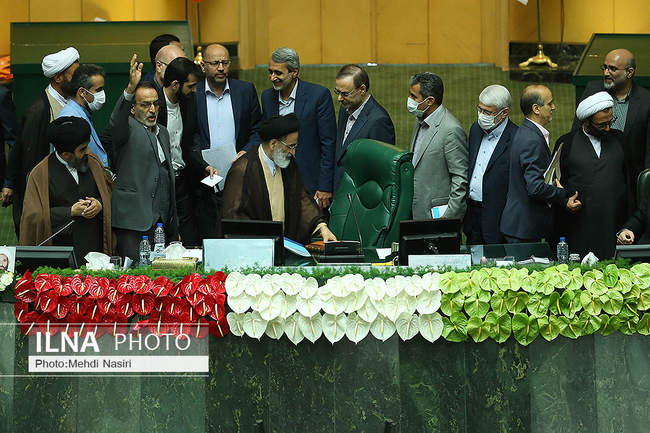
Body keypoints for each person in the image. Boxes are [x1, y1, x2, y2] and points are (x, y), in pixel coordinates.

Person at [104, 55, 177, 262]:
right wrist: (130, 89)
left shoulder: (163, 132)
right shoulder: (126, 127)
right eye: (145, 105)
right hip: (133, 220)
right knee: (133, 274)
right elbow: (115, 122)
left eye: (155, 104)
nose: (152, 110)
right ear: (133, 108)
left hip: (161, 221)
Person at [222, 114, 337, 244]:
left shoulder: (288, 163)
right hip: (255, 249)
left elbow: (301, 198)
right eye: (290, 146)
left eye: (295, 147)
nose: (293, 152)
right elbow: (234, 217)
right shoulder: (243, 169)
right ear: (273, 144)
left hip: (284, 245)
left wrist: (322, 227)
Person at [3, 47, 80, 236]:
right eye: (74, 74)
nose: (79, 79)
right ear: (58, 77)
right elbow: (29, 159)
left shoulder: (69, 101)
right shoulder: (39, 111)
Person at [19, 116, 114, 258]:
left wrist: (100, 204)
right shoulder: (40, 174)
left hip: (95, 251)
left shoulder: (93, 163)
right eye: (82, 149)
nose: (88, 151)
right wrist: (70, 211)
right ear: (66, 155)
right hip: (60, 254)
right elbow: (32, 217)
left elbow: (110, 194)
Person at [500, 85, 581, 243]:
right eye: (549, 104)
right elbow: (535, 187)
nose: (553, 107)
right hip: (524, 229)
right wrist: (562, 193)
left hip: (520, 225)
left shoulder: (526, 132)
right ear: (536, 109)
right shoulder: (532, 140)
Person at [555, 91, 629, 259]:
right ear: (586, 121)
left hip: (614, 225)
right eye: (601, 125)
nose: (608, 128)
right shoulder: (566, 143)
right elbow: (554, 183)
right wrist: (564, 201)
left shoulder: (620, 140)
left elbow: (630, 182)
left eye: (610, 122)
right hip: (579, 226)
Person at [261, 47, 337, 209]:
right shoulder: (267, 97)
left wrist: (324, 186)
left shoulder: (318, 96)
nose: (272, 77)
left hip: (309, 182)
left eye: (278, 73)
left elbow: (328, 143)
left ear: (294, 72)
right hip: (276, 179)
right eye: (270, 72)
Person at [158, 57, 218, 246]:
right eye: (190, 86)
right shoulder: (155, 105)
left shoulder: (188, 103)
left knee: (189, 234)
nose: (194, 90)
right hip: (160, 182)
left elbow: (188, 145)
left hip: (182, 180)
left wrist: (204, 166)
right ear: (175, 85)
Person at [574, 48, 650, 196]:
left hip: (628, 179)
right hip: (592, 174)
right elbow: (577, 130)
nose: (606, 73)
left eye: (612, 69)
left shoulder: (646, 101)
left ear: (629, 72)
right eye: (605, 67)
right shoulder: (593, 90)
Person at [408, 72, 468, 220]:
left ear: (429, 101)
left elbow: (460, 179)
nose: (409, 100)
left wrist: (448, 218)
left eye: (414, 96)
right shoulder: (420, 118)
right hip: (416, 212)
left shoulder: (451, 130)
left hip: (437, 218)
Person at [464, 84, 518, 244]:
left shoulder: (517, 138)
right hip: (472, 216)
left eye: (487, 112)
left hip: (499, 219)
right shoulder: (475, 129)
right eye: (480, 109)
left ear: (504, 112)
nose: (481, 115)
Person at [333, 64, 395, 192]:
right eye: (337, 92)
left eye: (345, 93)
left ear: (362, 89)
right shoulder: (345, 108)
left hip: (359, 198)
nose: (339, 98)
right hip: (339, 192)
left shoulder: (379, 121)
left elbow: (381, 171)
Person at [58, 64, 110, 167]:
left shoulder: (81, 112)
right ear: (82, 92)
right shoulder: (70, 119)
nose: (102, 94)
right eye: (98, 90)